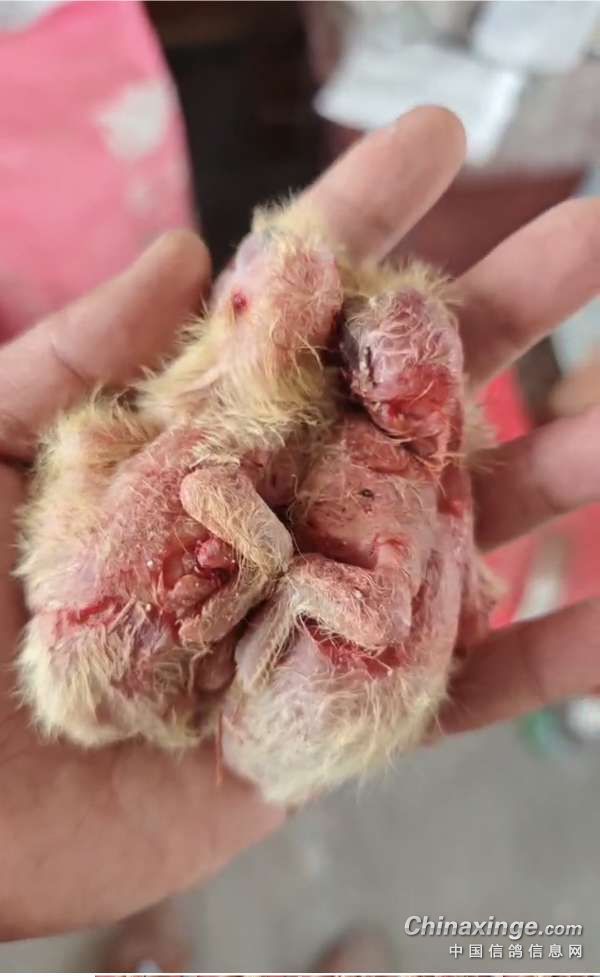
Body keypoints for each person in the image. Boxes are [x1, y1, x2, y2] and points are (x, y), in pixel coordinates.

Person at [0, 107, 599, 942]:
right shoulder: (273, 440)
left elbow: (349, 588)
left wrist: (279, 585)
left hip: (266, 687)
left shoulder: (322, 457)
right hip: (166, 664)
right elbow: (156, 475)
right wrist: (264, 575)